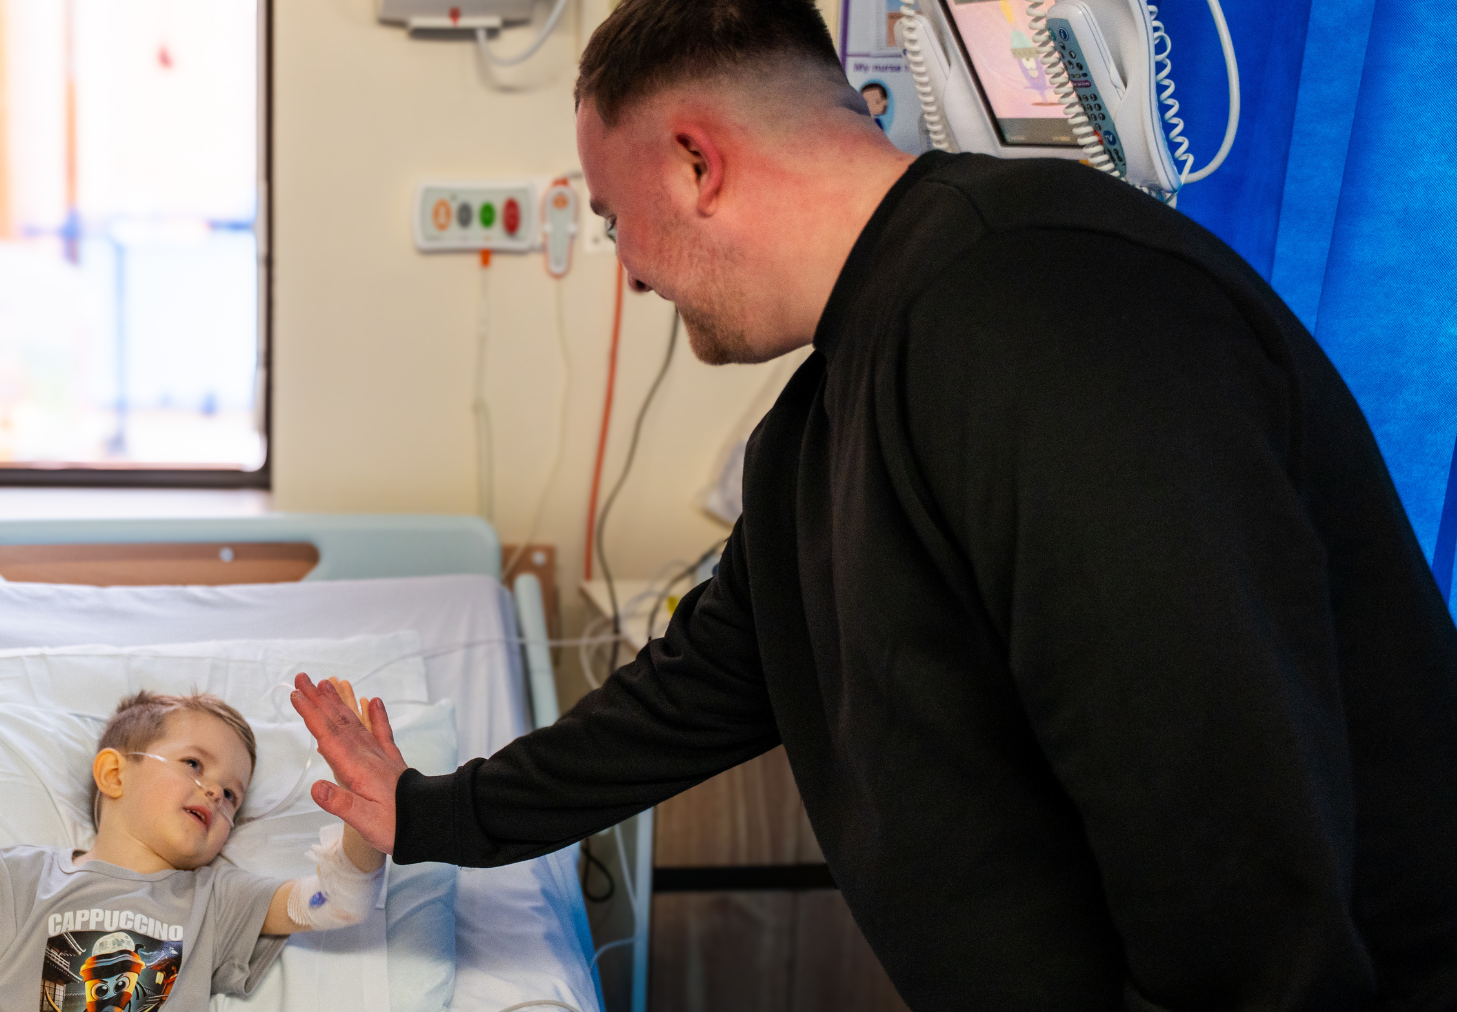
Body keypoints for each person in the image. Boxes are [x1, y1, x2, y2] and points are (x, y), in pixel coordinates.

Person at [292, 0, 1457, 1007]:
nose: (631, 271)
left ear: (698, 162)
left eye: (611, 220)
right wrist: (437, 814)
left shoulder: (1051, 311)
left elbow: (1225, 832)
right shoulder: (825, 418)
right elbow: (696, 691)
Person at [0, 688, 384, 1012]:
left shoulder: (215, 899)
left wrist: (362, 802)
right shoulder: (20, 876)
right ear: (115, 775)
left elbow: (338, 901)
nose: (216, 793)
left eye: (233, 796)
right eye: (194, 763)